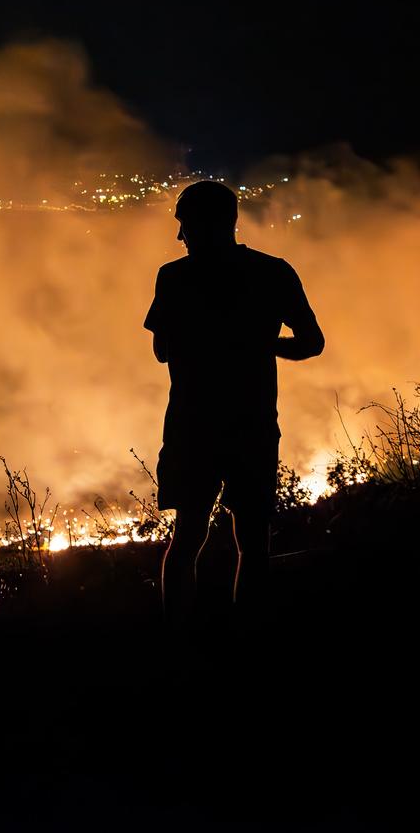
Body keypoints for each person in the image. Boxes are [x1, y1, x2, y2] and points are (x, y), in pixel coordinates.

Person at [145, 180, 324, 627]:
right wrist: (263, 345)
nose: (180, 237)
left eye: (183, 225)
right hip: (253, 422)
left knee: (186, 537)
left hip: (192, 426)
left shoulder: (174, 277)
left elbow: (161, 350)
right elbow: (312, 342)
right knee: (254, 540)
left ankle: (179, 639)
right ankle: (249, 638)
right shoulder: (273, 271)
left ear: (201, 225)